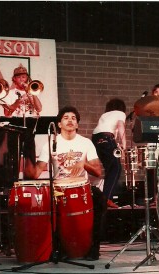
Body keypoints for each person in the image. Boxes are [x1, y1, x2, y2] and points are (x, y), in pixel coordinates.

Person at [24, 106, 106, 260]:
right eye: (66, 117)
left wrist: (83, 164)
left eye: (73, 118)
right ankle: (56, 248)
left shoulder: (86, 143)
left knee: (100, 200)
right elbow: (35, 173)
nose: (70, 120)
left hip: (82, 187)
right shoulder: (50, 144)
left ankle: (92, 248)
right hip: (58, 189)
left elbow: (98, 172)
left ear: (77, 125)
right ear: (59, 124)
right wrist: (27, 151)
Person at [92, 98, 126, 208]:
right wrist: (124, 144)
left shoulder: (105, 115)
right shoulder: (120, 113)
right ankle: (107, 199)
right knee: (116, 168)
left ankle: (105, 199)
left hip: (96, 139)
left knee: (110, 168)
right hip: (106, 137)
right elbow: (121, 126)